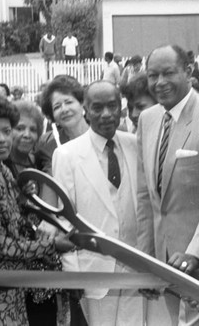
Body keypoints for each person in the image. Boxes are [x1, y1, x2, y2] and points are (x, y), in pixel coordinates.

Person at [136, 45, 199, 325]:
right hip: (163, 262)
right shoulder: (147, 119)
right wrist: (146, 261)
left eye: (168, 73)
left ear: (189, 71)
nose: (159, 82)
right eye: (152, 75)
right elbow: (145, 196)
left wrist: (196, 253)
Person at [0, 89, 73, 326]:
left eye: (7, 131)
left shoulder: (1, 169)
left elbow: (18, 225)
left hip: (12, 287)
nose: (2, 139)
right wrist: (51, 244)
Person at [53, 80, 144, 326]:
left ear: (121, 108)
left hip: (136, 267)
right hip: (95, 271)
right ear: (85, 109)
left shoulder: (135, 144)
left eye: (112, 106)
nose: (106, 114)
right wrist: (73, 276)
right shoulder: (67, 155)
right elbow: (64, 218)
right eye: (97, 107)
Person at [34, 75, 89, 174]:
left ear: (82, 103)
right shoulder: (48, 147)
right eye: (57, 107)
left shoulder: (101, 134)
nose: (64, 110)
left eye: (69, 102)